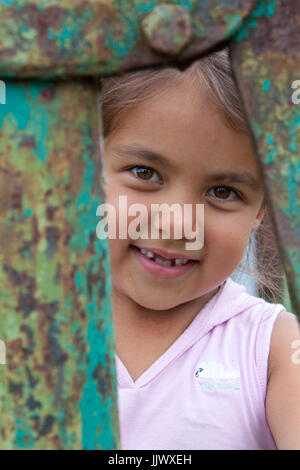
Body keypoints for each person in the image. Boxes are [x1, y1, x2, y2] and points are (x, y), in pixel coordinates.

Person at [99, 49, 300, 450]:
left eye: (223, 192)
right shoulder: (26, 326)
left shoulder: (273, 348)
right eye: (145, 174)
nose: (178, 223)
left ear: (260, 209)